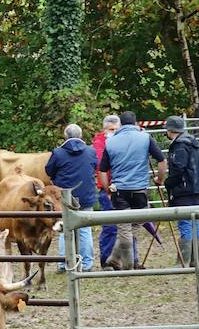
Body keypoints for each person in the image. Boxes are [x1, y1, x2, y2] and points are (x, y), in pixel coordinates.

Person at [98, 111, 166, 270]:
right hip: (140, 189)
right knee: (134, 223)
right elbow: (162, 160)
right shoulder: (145, 137)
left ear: (120, 124)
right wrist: (160, 179)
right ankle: (128, 266)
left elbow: (102, 170)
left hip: (119, 190)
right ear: (136, 123)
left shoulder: (111, 142)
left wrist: (107, 189)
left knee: (125, 227)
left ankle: (115, 259)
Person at [45, 123, 98, 271]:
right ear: (80, 136)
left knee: (64, 230)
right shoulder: (91, 151)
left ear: (65, 136)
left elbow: (49, 170)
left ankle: (64, 263)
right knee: (85, 230)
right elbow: (95, 167)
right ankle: (87, 264)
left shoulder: (58, 153)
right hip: (86, 196)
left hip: (65, 198)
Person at [164, 115, 199, 266]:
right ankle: (195, 260)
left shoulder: (180, 146)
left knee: (185, 222)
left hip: (184, 189)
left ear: (171, 130)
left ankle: (183, 260)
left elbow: (178, 169)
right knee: (194, 222)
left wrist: (168, 183)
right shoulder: (193, 143)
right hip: (195, 188)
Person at [93, 115, 120, 267]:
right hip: (106, 188)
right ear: (105, 130)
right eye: (111, 129)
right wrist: (106, 187)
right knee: (110, 227)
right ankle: (106, 260)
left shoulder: (120, 140)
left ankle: (129, 259)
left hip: (122, 186)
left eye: (117, 129)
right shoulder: (99, 143)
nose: (114, 132)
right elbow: (101, 166)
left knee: (126, 226)